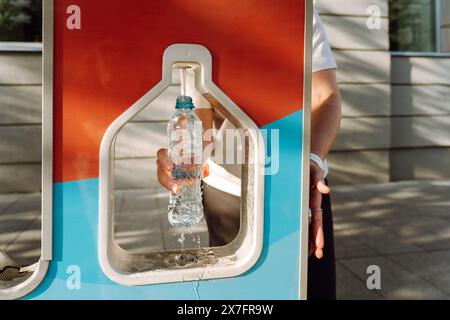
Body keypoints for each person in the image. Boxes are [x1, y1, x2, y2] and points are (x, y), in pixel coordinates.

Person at [157, 6, 341, 300]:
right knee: (243, 294)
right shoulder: (204, 17)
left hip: (300, 181)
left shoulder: (298, 12)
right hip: (227, 192)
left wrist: (313, 160)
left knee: (312, 287)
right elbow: (204, 108)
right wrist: (189, 157)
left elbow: (325, 96)